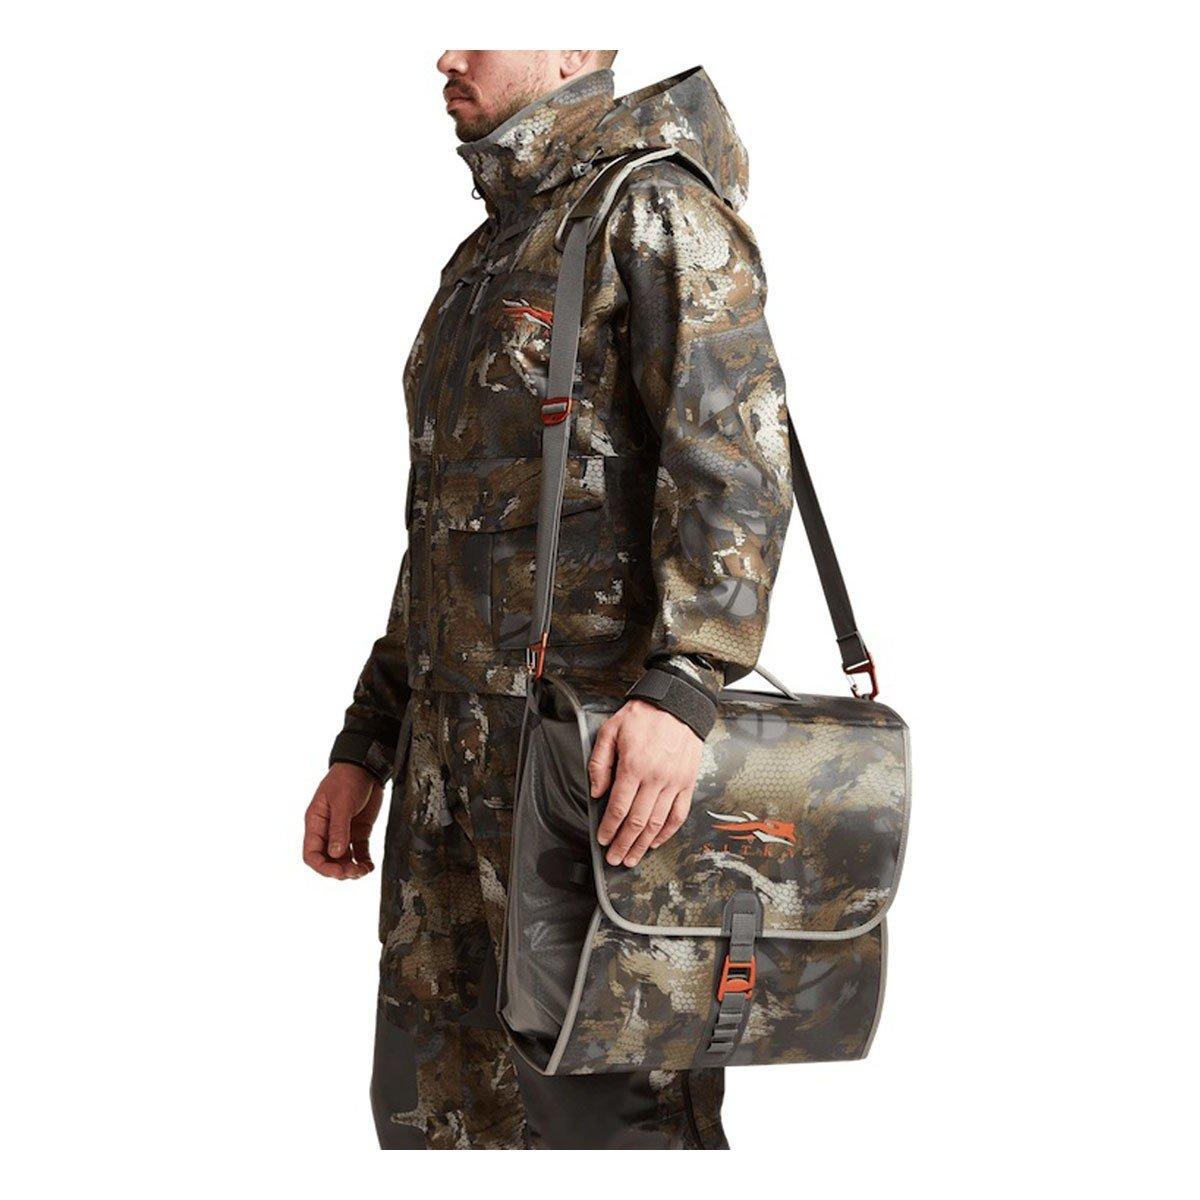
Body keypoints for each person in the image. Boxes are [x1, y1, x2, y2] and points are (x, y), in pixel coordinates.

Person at [303, 50, 791, 1150]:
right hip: (448, 787)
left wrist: (684, 688)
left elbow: (737, 471)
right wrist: (369, 739)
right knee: (439, 1121)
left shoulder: (653, 208)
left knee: (612, 1123)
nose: (447, 52)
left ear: (577, 46)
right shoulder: (490, 252)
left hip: (591, 787)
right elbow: (449, 526)